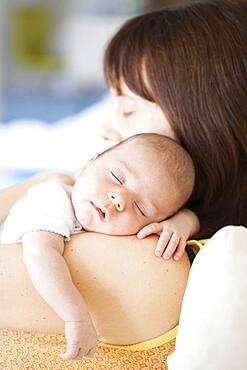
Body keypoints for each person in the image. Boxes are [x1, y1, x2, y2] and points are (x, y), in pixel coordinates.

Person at [0, 0, 246, 368]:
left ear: (206, 125)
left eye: (128, 108)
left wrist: (24, 190)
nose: (106, 129)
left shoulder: (150, 259)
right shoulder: (182, 237)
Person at [1, 133, 197, 361]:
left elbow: (191, 214)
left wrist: (182, 224)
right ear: (90, 162)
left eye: (141, 209)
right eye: (116, 177)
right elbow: (40, 257)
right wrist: (76, 318)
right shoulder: (51, 199)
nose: (119, 199)